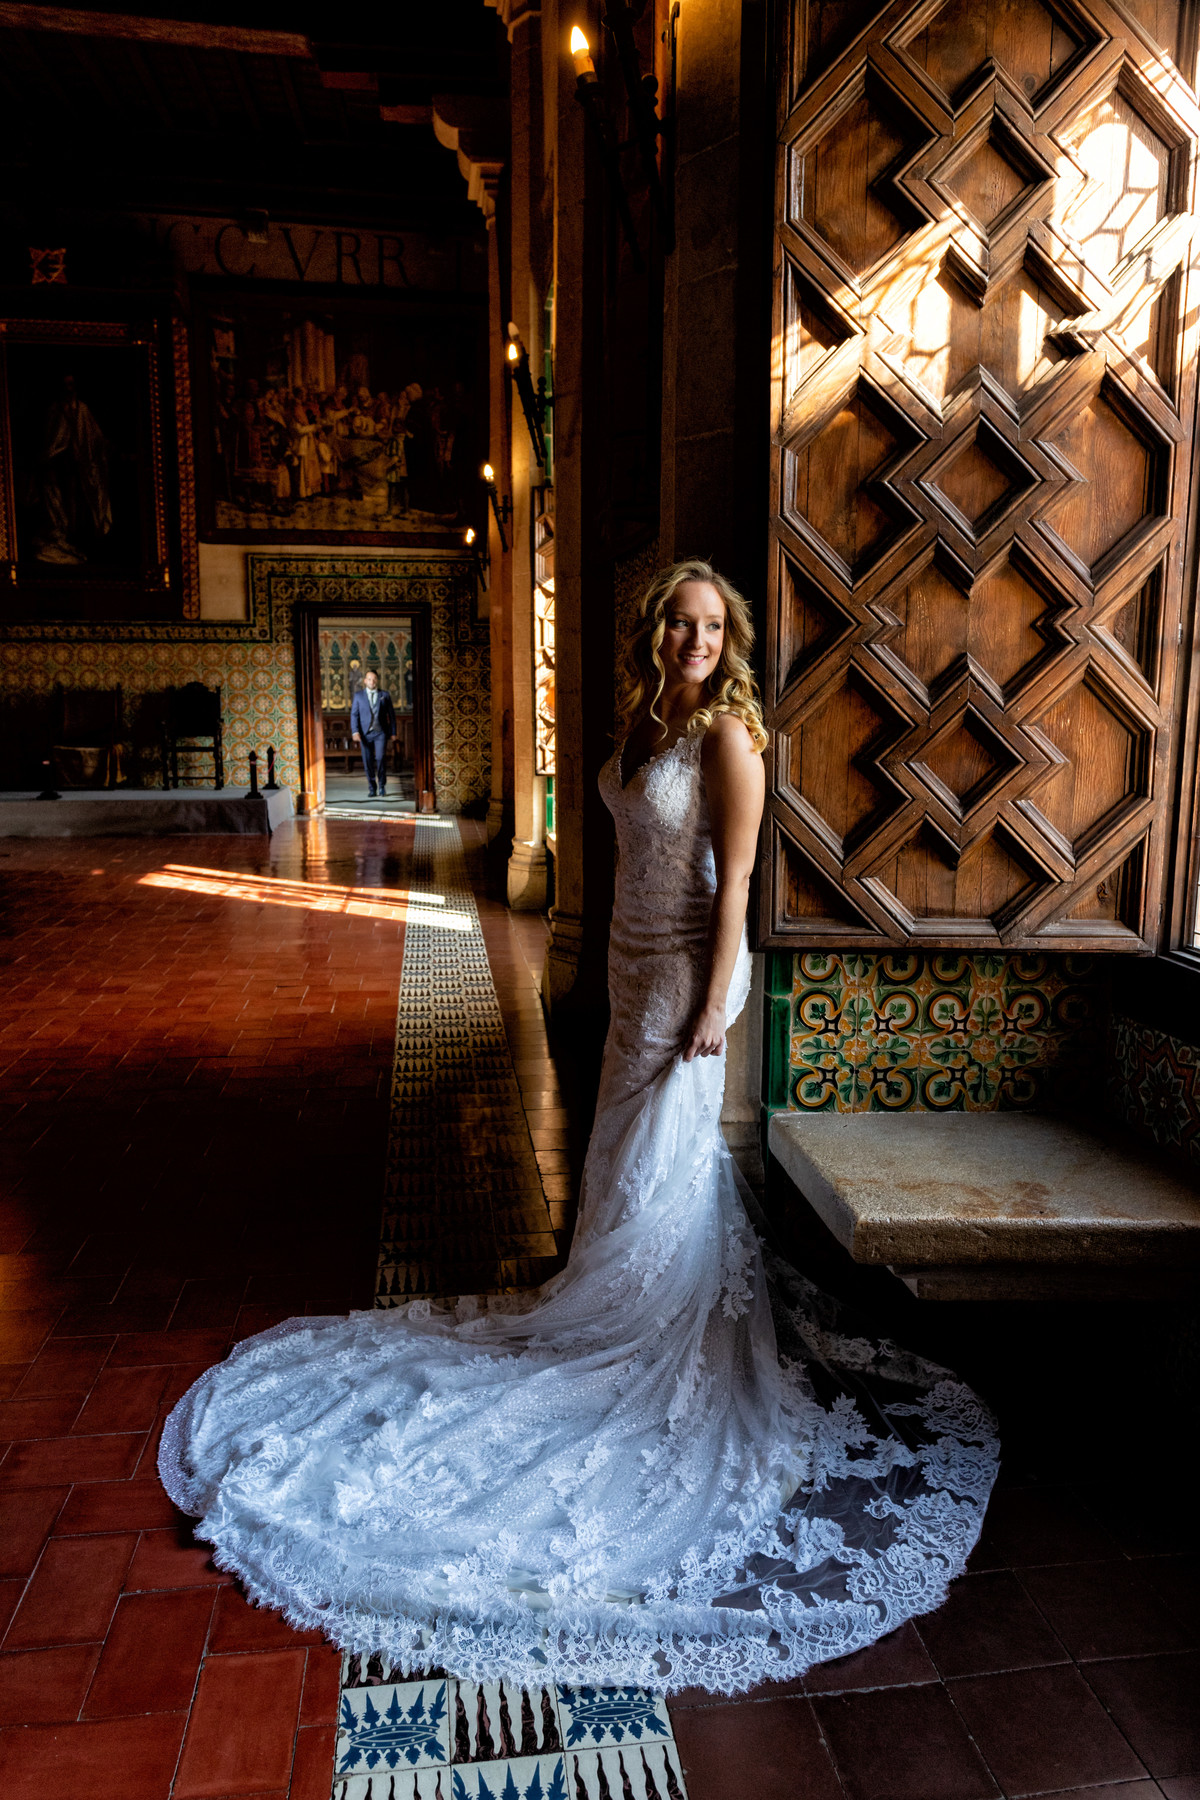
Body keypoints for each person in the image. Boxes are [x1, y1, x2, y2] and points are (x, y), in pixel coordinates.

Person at [159, 558, 998, 1695]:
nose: (695, 639)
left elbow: (738, 887)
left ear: (727, 638)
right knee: (613, 1170)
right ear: (655, 631)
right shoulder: (648, 720)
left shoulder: (730, 738)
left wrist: (713, 1004)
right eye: (680, 622)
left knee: (663, 1170)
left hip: (689, 985)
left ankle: (645, 1333)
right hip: (628, 970)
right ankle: (605, 1297)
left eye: (712, 627)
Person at [350, 669, 396, 797]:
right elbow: (354, 715)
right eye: (369, 679)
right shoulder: (358, 696)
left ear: (377, 680)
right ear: (365, 681)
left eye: (374, 679)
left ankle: (382, 786)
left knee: (380, 758)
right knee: (368, 761)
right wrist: (355, 732)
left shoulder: (384, 695)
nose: (372, 681)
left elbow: (391, 716)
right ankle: (372, 787)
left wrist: (393, 732)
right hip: (365, 734)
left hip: (380, 732)